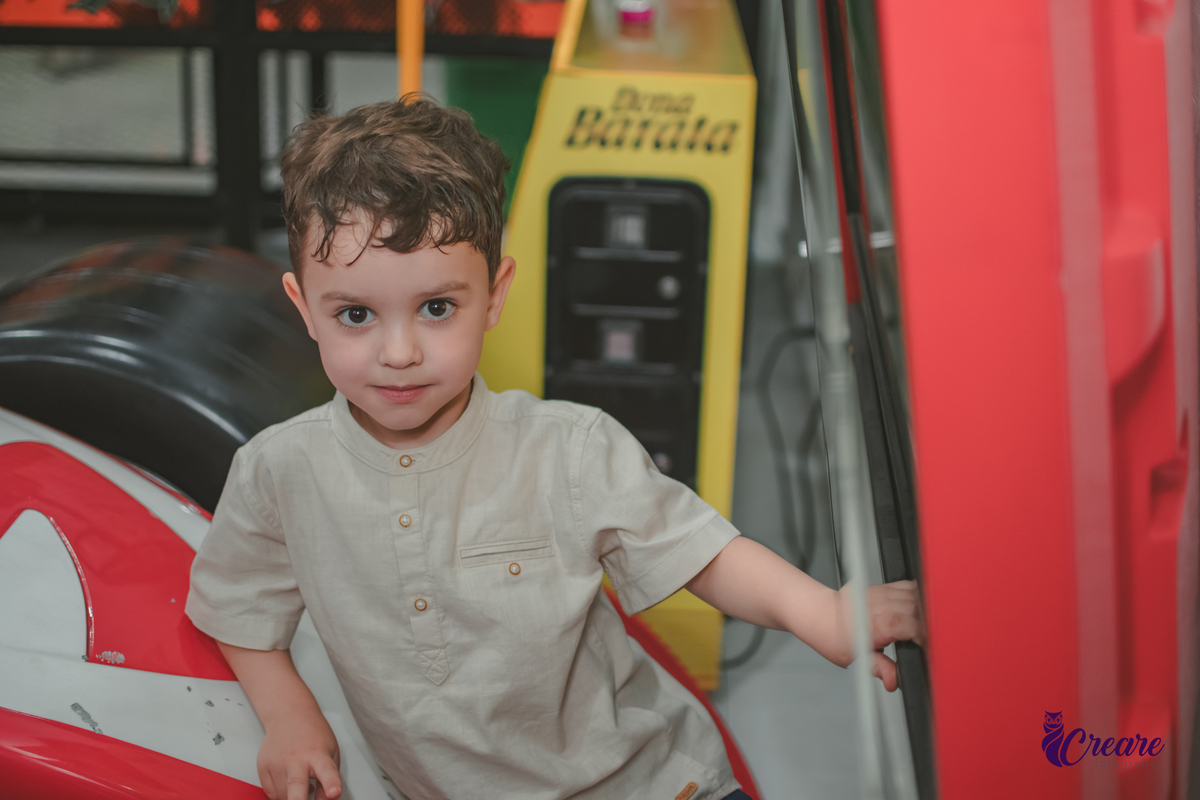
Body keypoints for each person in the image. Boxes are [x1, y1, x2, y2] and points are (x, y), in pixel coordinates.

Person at [186, 97, 925, 800]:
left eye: (437, 308)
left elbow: (702, 552)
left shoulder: (567, 451)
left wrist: (822, 612)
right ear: (302, 308)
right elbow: (236, 606)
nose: (400, 352)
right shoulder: (279, 470)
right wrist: (288, 714)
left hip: (651, 783)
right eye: (355, 315)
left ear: (495, 294)